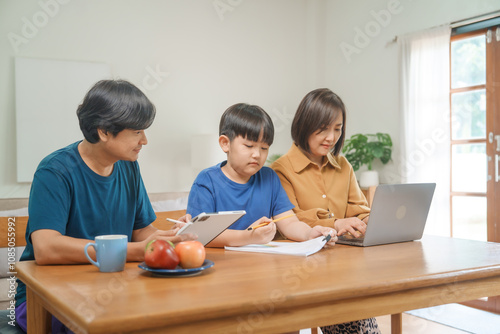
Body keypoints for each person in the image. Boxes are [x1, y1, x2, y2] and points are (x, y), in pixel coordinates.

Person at [14, 79, 195, 334]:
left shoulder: (129, 165)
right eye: (136, 132)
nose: (144, 140)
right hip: (44, 298)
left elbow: (141, 230)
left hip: (108, 286)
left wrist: (170, 239)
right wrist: (134, 251)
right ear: (104, 131)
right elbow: (46, 248)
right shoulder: (54, 171)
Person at [271, 88, 380, 334]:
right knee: (353, 317)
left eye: (338, 129)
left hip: (346, 267)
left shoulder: (343, 166)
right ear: (304, 125)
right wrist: (336, 223)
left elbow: (359, 210)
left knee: (360, 314)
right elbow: (291, 218)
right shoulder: (280, 170)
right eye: (323, 128)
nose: (331, 137)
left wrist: (374, 220)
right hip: (304, 271)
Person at [183, 103, 337, 248]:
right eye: (249, 146)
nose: (257, 154)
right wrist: (249, 237)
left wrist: (309, 233)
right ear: (225, 143)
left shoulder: (269, 178)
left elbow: (289, 223)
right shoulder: (207, 181)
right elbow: (200, 235)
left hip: (262, 265)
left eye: (264, 148)